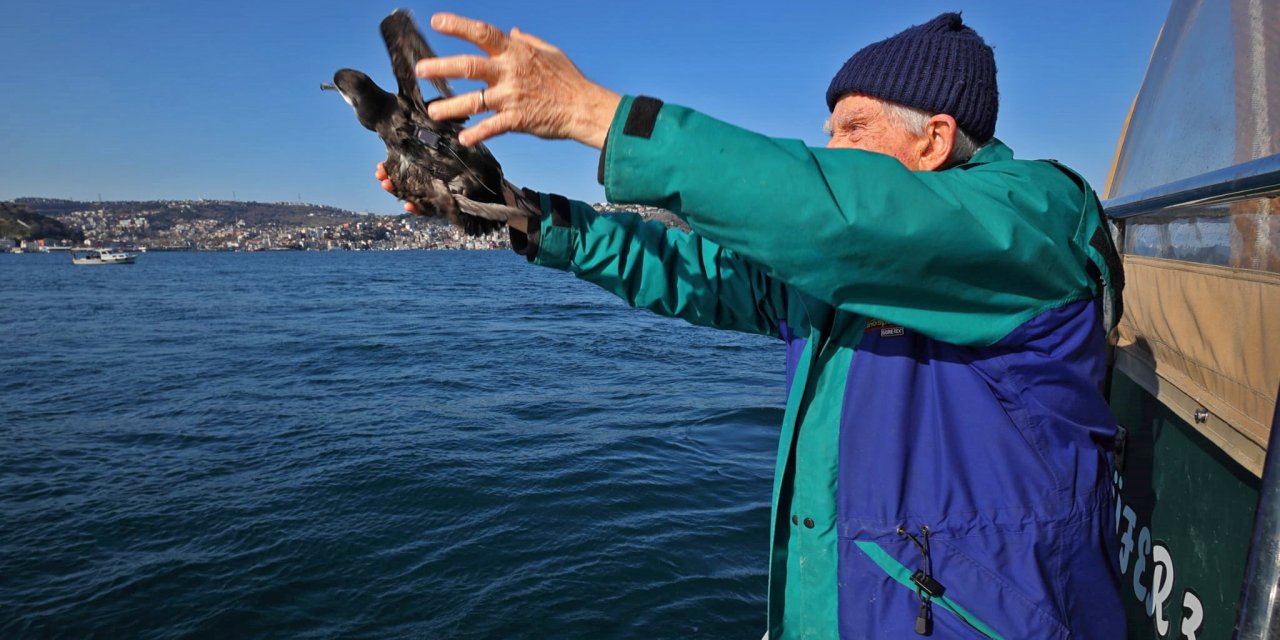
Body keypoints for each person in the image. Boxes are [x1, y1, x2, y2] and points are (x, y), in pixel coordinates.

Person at [379, 11, 1127, 638]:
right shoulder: (848, 276)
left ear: (933, 140)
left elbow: (833, 212)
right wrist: (522, 213)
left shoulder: (1034, 216)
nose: (829, 150)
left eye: (852, 129)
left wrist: (592, 114)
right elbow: (698, 267)